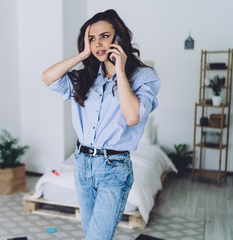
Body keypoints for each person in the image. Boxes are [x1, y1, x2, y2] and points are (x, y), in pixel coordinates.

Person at [41, 9, 160, 240]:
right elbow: (47, 77)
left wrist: (120, 71)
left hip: (113, 168)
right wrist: (84, 54)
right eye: (92, 38)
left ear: (119, 38)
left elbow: (132, 117)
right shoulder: (84, 78)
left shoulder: (144, 77)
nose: (98, 43)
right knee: (92, 235)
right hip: (82, 165)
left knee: (97, 238)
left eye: (104, 36)